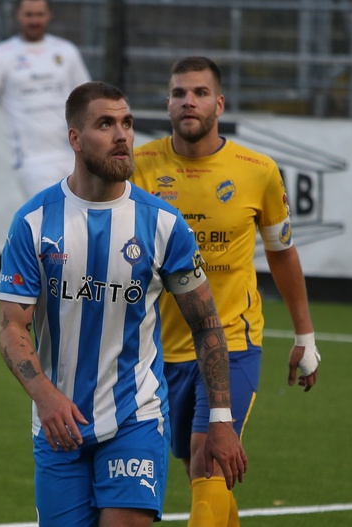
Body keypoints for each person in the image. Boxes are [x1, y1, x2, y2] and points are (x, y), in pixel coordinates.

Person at [0, 81, 247, 527]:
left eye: (127, 123)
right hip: (59, 425)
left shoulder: (163, 225)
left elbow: (207, 326)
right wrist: (45, 396)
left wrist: (222, 420)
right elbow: (11, 327)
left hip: (137, 417)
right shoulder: (33, 222)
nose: (122, 135)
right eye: (106, 124)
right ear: (75, 138)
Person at [131, 56, 321, 527]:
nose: (187, 101)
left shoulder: (257, 171)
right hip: (161, 349)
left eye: (198, 93)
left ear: (220, 103)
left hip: (233, 340)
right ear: (168, 103)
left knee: (206, 457)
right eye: (178, 93)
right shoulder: (138, 167)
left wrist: (305, 337)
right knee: (198, 470)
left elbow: (282, 254)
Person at [0, 0, 91, 198]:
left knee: (87, 220)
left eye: (39, 14)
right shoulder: (1, 55)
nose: (34, 20)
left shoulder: (66, 51)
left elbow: (88, 99)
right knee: (52, 220)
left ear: (49, 15)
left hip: (73, 153)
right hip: (33, 161)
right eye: (29, 15)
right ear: (18, 16)